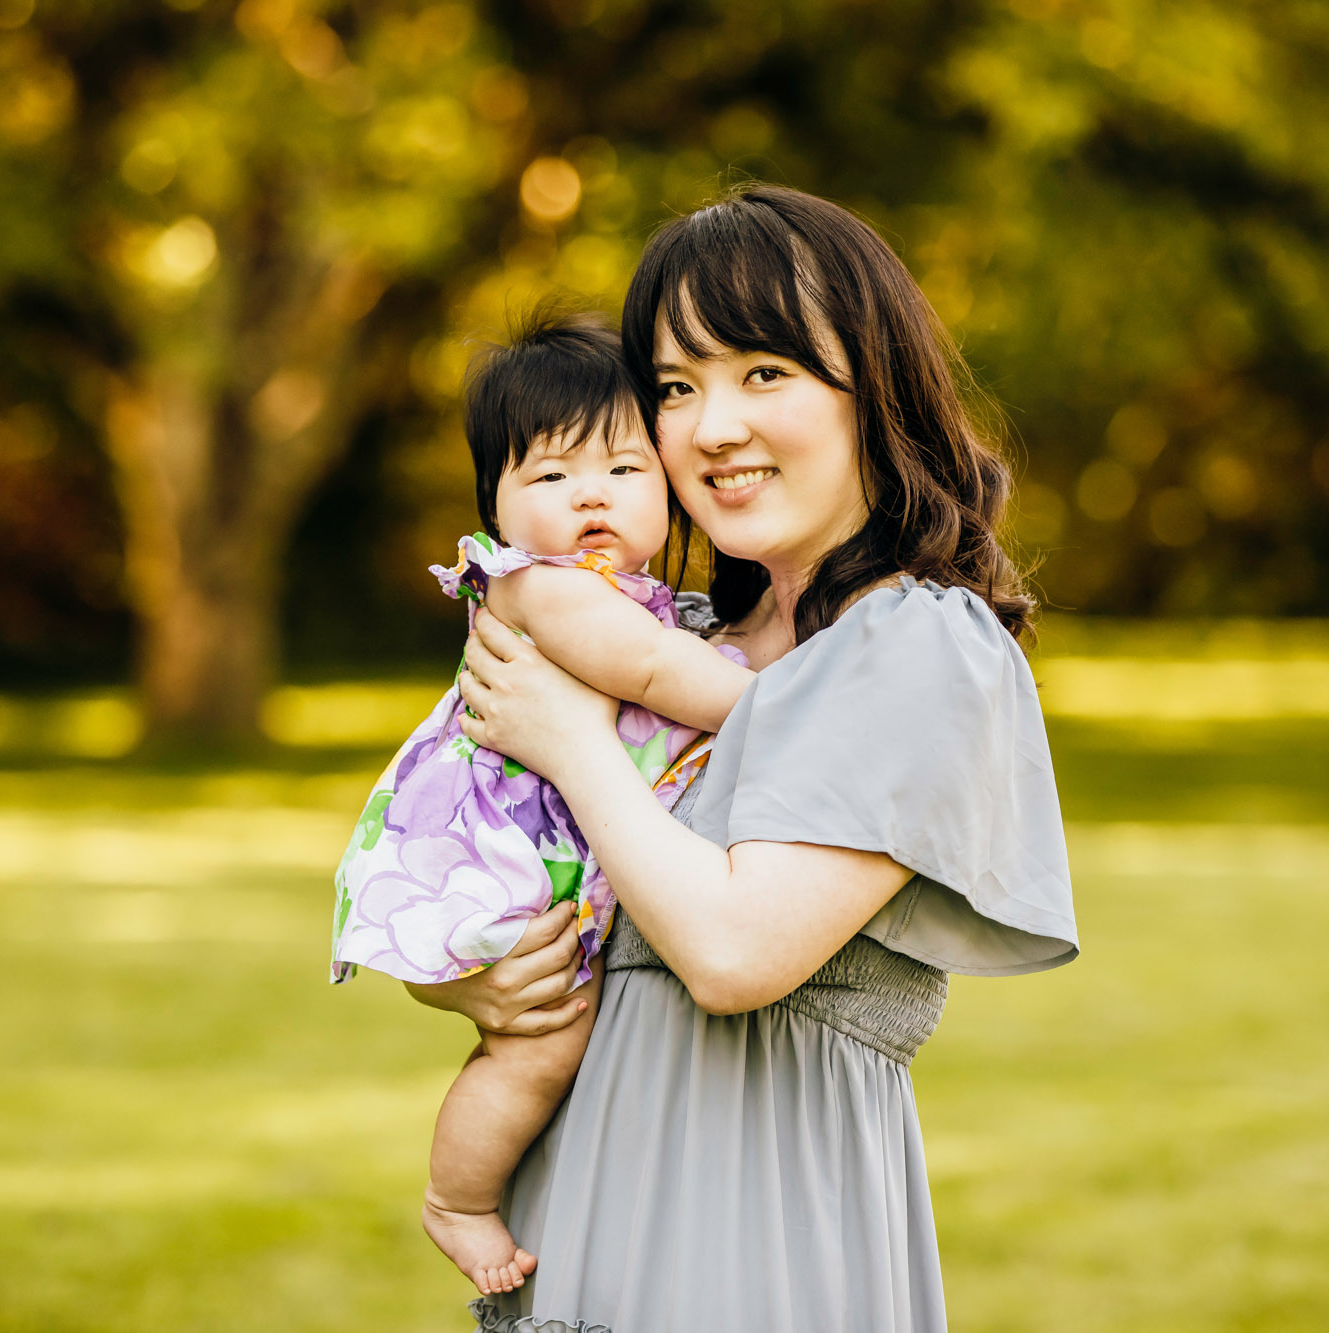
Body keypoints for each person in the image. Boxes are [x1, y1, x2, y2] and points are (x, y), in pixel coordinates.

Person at [415, 185, 1081, 1332]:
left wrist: (573, 743)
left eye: (761, 371)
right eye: (674, 388)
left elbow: (731, 952)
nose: (710, 426)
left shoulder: (915, 641)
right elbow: (535, 879)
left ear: (872, 389)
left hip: (754, 1241)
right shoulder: (673, 650)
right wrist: (468, 975)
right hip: (576, 1229)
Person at [330, 309, 755, 1297]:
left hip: (564, 842)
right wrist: (779, 699)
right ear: (496, 506)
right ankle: (457, 1199)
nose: (589, 497)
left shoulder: (640, 593)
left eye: (620, 469)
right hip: (505, 851)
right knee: (541, 1036)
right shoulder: (538, 588)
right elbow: (650, 670)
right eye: (550, 476)